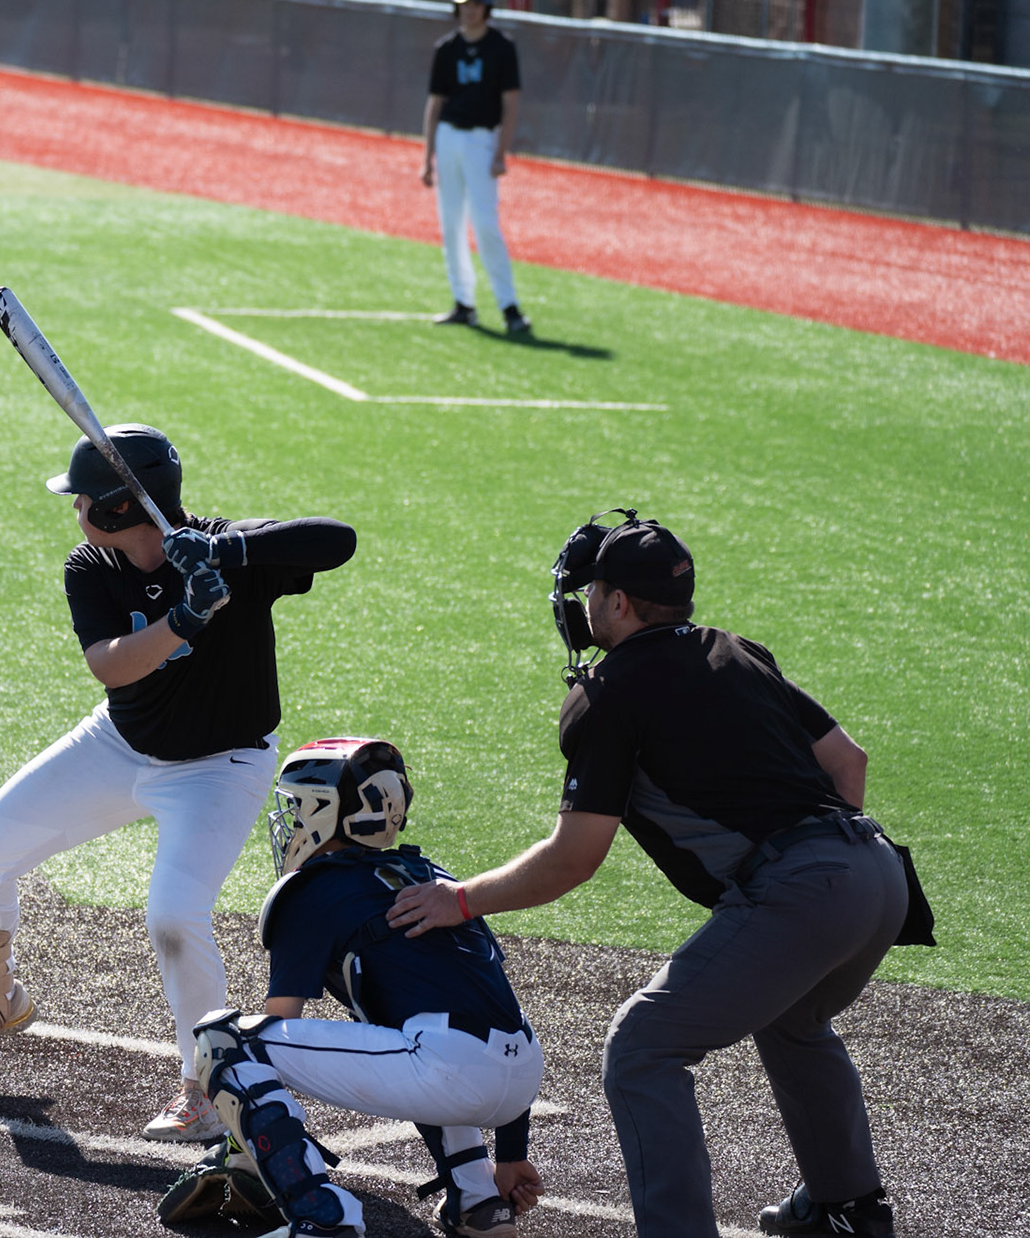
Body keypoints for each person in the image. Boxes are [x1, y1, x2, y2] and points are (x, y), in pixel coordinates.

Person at [386, 509, 922, 1237]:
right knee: (794, 1018)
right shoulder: (736, 649)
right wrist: (826, 871)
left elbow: (574, 858)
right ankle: (847, 1208)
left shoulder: (608, 695)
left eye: (594, 591)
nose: (585, 604)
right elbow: (847, 761)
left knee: (642, 1047)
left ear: (618, 602)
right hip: (879, 872)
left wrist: (462, 899)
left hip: (811, 889)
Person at [0, 424, 357, 1143]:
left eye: (83, 499)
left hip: (221, 766)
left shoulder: (223, 547)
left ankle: (208, 1087)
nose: (74, 508)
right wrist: (188, 615)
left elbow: (337, 539)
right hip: (118, 745)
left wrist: (227, 554)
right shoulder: (91, 565)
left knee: (174, 915)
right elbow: (112, 665)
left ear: (117, 508)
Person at [157, 738, 543, 1238]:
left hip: (449, 1065)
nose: (292, 822)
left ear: (325, 811)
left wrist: (244, 1144)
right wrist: (511, 1154)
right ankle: (480, 1201)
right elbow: (493, 1005)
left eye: (298, 808)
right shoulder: (431, 874)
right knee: (421, 1031)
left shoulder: (311, 889)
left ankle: (324, 1216)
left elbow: (276, 1028)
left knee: (225, 1042)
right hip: (520, 1068)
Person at [421, 0, 530, 336]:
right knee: (451, 223)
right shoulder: (446, 49)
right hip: (449, 137)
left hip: (483, 139)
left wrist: (501, 152)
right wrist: (427, 156)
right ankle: (462, 302)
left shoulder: (502, 48)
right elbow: (435, 104)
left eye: (477, 4)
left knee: (484, 222)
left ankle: (509, 306)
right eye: (465, 4)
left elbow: (510, 103)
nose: (470, 10)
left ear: (487, 8)